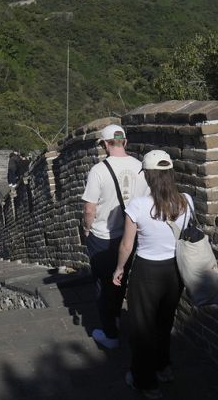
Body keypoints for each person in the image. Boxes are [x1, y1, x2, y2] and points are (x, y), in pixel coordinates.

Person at [113, 149, 191, 399]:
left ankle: (145, 381)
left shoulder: (137, 205)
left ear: (147, 175)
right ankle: (164, 368)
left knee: (143, 328)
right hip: (175, 271)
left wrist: (119, 268)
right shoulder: (186, 201)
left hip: (147, 272)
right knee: (164, 322)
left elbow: (127, 245)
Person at [81, 124, 148, 349]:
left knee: (102, 285)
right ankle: (116, 317)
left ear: (104, 144)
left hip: (102, 236)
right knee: (120, 279)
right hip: (130, 237)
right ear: (125, 142)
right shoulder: (140, 167)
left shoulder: (98, 171)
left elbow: (90, 209)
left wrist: (86, 229)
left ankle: (110, 334)